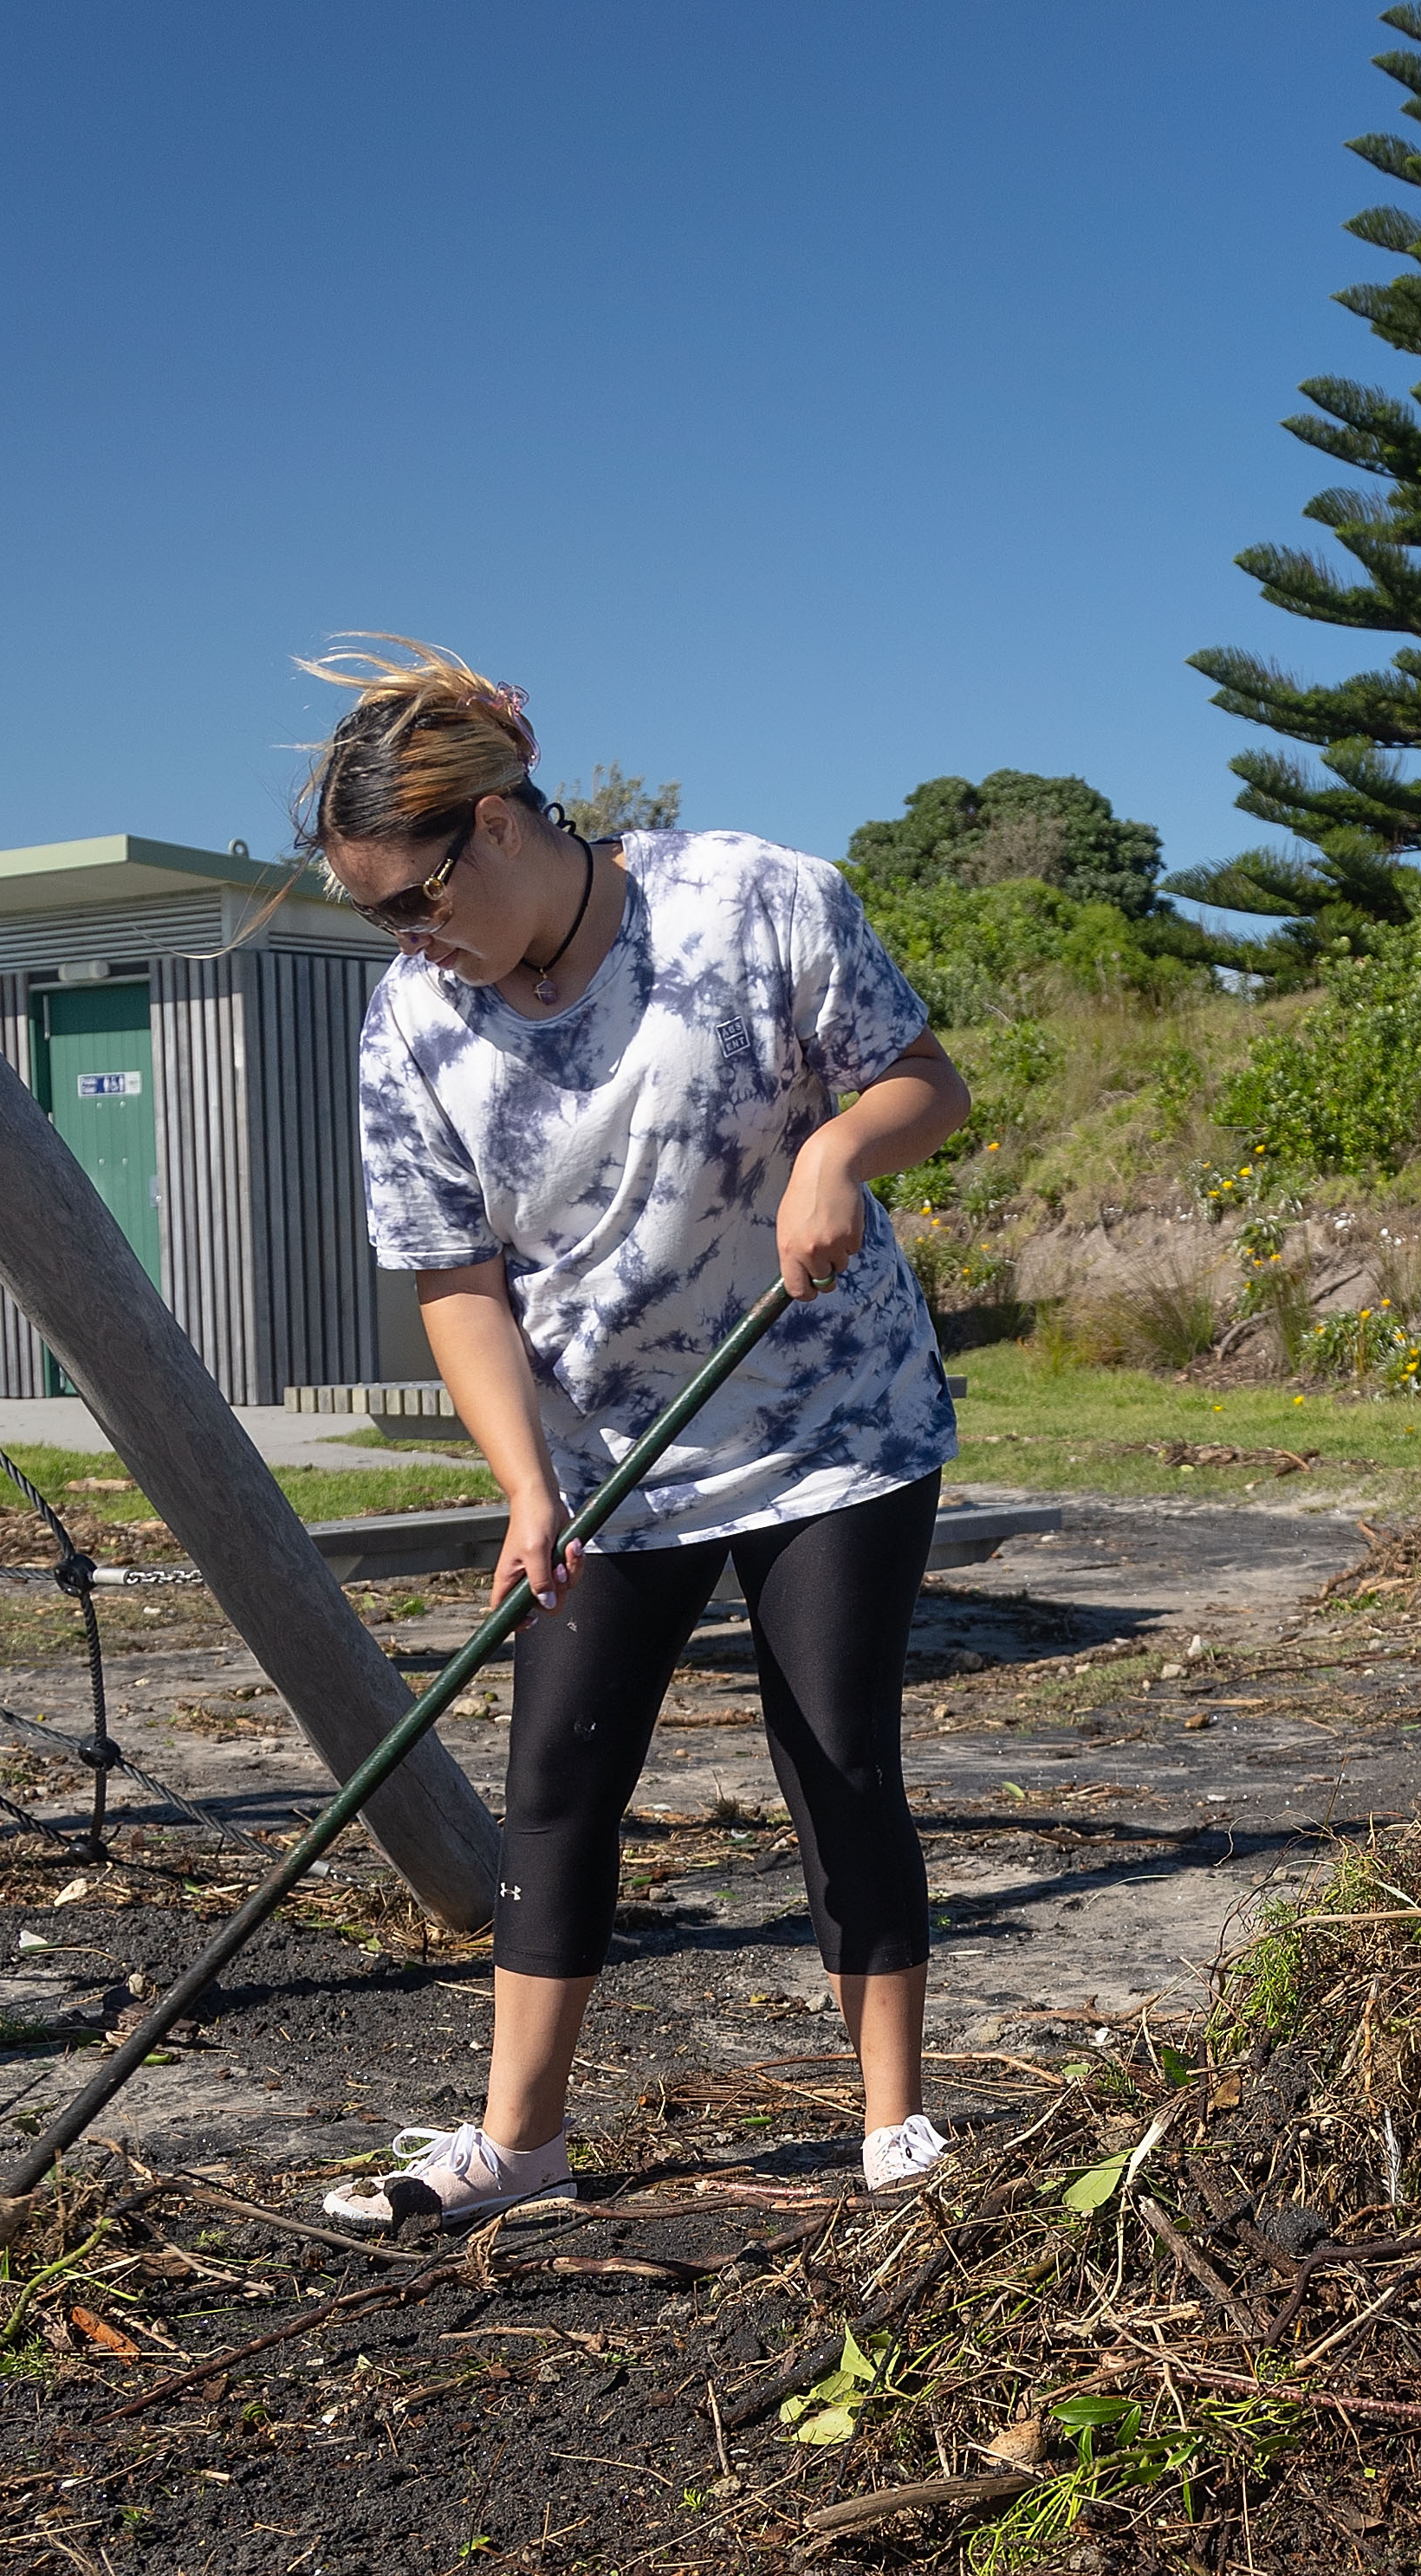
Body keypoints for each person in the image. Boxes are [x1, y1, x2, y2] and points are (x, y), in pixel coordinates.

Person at [294, 646, 973, 2232]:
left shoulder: (755, 900)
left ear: (502, 823)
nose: (412, 941)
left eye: (418, 901)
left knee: (835, 1753)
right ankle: (520, 2143)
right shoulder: (415, 1029)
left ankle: (896, 2131)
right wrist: (526, 1487)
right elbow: (456, 1280)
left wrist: (840, 1153)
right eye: (380, 918)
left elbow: (924, 1083)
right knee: (558, 1775)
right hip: (613, 1448)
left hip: (833, 1417)